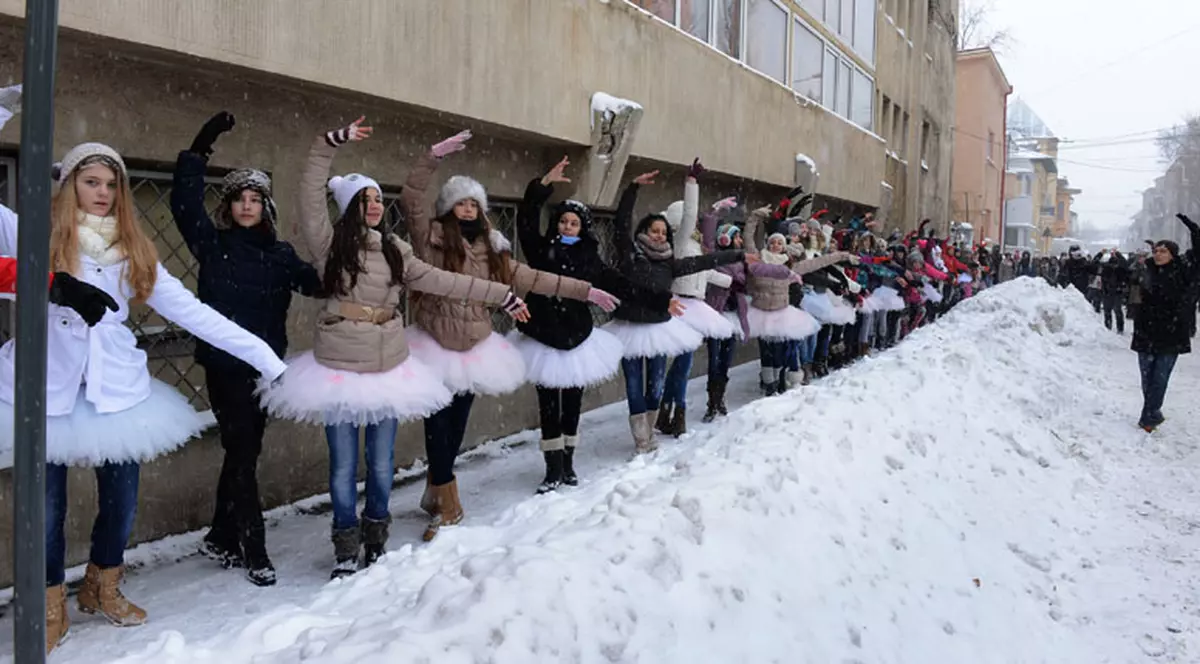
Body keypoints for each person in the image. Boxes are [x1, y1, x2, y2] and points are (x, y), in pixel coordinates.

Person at [0, 141, 288, 652]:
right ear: (69, 185)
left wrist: (265, 357)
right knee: (45, 507)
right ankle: (49, 604)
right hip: (46, 390)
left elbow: (195, 313)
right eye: (91, 181)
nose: (103, 193)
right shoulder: (32, 234)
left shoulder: (133, 250)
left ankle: (102, 585)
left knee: (122, 500)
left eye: (112, 184)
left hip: (117, 394)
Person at [260, 117, 521, 576]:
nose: (375, 205)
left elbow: (444, 280)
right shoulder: (330, 246)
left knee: (381, 464)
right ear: (349, 207)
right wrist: (328, 143)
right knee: (343, 466)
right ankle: (345, 544)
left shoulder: (396, 250)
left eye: (379, 198)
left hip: (387, 367)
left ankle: (375, 537)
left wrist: (501, 294)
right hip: (339, 368)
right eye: (365, 199)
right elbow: (309, 194)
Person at [402, 130, 618, 541]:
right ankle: (447, 501)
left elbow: (534, 277)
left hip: (472, 346)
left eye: (473, 204)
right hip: (435, 342)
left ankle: (438, 488)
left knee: (456, 423)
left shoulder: (494, 249)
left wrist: (585, 291)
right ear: (448, 207)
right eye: (461, 202)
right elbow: (411, 199)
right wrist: (430, 157)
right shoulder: (431, 239)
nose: (467, 209)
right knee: (436, 422)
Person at [171, 111, 321, 586]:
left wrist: (353, 259)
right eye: (240, 198)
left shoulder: (281, 255)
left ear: (266, 207)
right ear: (229, 206)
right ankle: (252, 547)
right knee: (241, 452)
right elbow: (183, 204)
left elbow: (317, 284)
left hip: (266, 370)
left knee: (244, 453)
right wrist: (202, 145)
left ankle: (220, 535)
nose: (247, 206)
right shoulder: (213, 244)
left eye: (255, 199)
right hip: (224, 368)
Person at [514, 156, 654, 492]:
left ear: (582, 227)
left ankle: (568, 463)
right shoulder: (540, 250)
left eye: (573, 223)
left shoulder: (590, 259)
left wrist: (660, 301)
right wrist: (542, 186)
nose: (567, 226)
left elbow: (621, 285)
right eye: (563, 221)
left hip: (576, 337)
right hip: (544, 335)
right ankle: (552, 468)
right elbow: (526, 221)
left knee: (572, 403)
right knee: (548, 404)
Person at [603, 171, 744, 453]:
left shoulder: (670, 262)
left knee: (655, 385)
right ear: (644, 232)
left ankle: (651, 429)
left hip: (659, 326)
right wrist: (632, 189)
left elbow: (701, 263)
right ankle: (641, 438)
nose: (659, 235)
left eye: (662, 231)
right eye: (654, 230)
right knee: (633, 384)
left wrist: (737, 255)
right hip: (629, 325)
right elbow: (620, 224)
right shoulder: (631, 254)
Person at [657, 159, 738, 437]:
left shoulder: (692, 244)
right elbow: (692, 215)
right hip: (684, 305)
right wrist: (691, 183)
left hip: (696, 305)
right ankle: (673, 412)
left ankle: (669, 411)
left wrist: (729, 281)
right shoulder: (680, 241)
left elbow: (703, 271)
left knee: (683, 364)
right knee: (683, 364)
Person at [1130, 214, 1200, 432]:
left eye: (1164, 251)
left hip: (1172, 333)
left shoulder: (1183, 272)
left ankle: (1147, 418)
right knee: (1147, 379)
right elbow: (1133, 291)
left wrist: (1194, 231)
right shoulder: (1145, 270)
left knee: (1160, 379)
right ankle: (1154, 411)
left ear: (1173, 254)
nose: (1158, 254)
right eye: (1156, 251)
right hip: (1146, 332)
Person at [1099, 250, 1130, 334]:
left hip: (1116, 292)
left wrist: (1121, 286)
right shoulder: (1106, 270)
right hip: (1109, 292)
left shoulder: (1120, 270)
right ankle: (1108, 327)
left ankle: (1119, 328)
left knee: (1116, 310)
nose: (1114, 266)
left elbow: (1126, 275)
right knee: (1109, 311)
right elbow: (1103, 281)